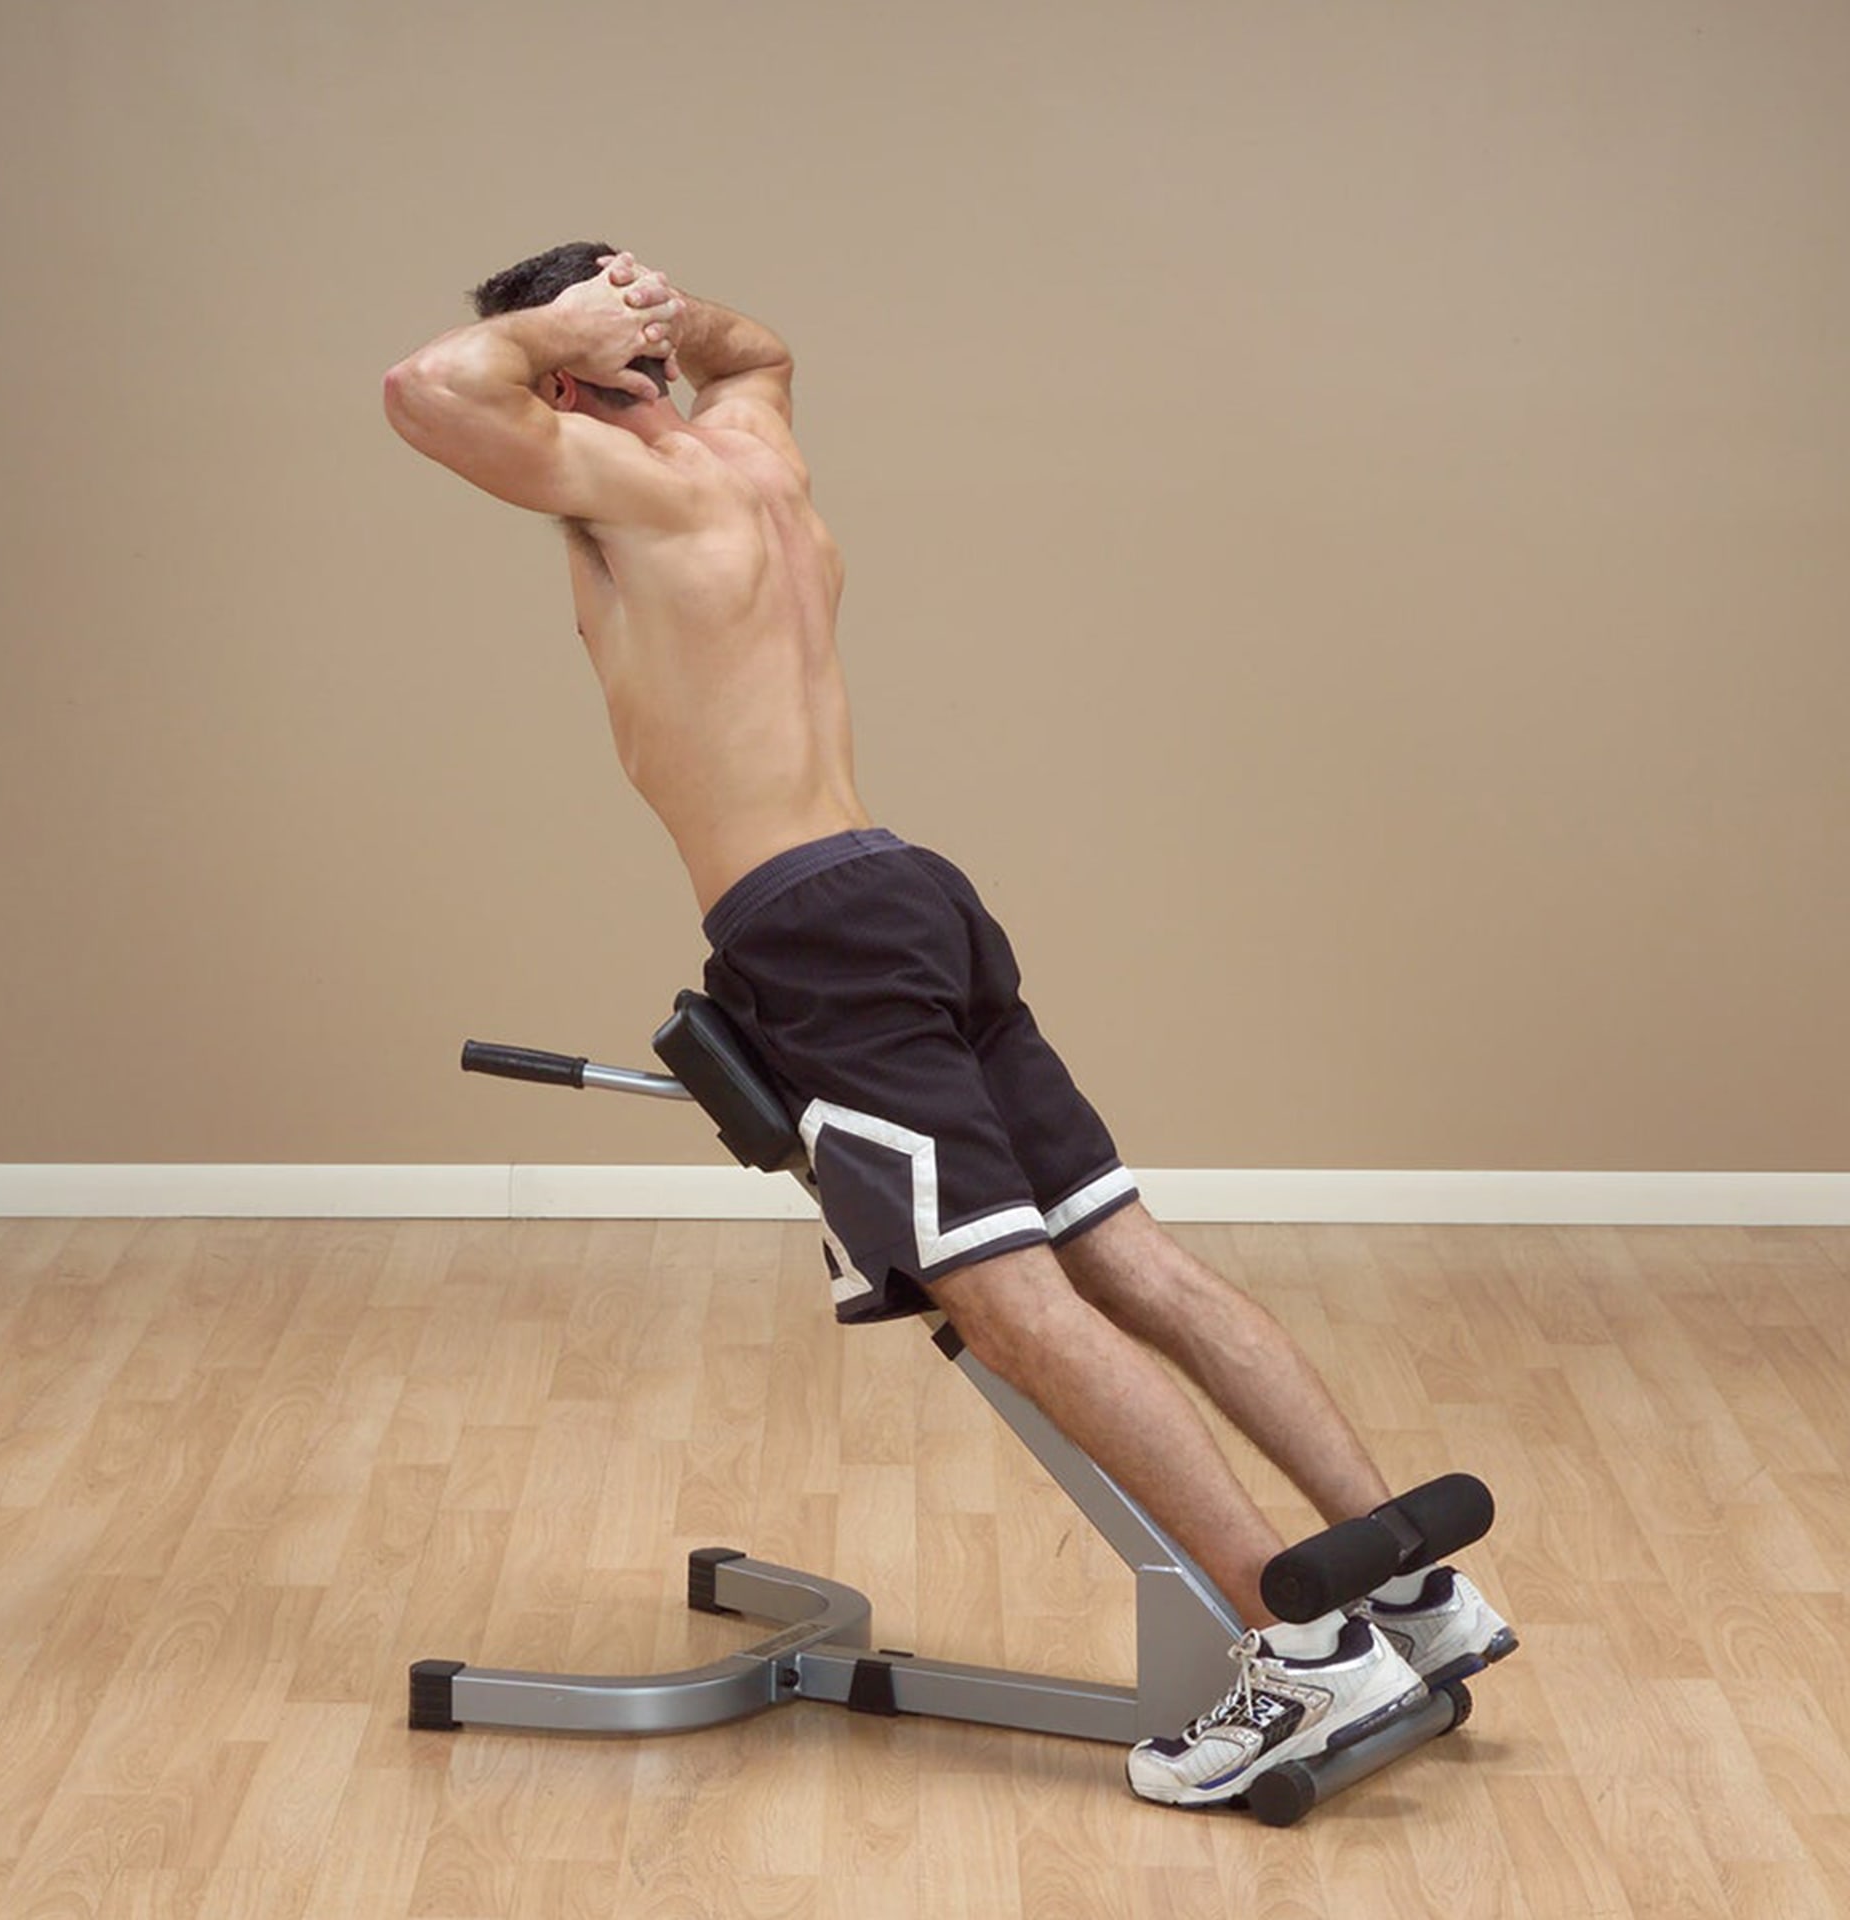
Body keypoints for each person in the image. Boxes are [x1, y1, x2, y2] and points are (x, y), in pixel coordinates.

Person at [382, 242, 1516, 1807]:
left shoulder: (639, 486)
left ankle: (1308, 1653)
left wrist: (563, 328)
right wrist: (669, 314)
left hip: (810, 930)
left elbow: (424, 391)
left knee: (1015, 1304)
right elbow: (758, 351)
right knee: (1136, 1264)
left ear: (567, 375)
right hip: (912, 890)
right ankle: (1417, 1597)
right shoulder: (754, 451)